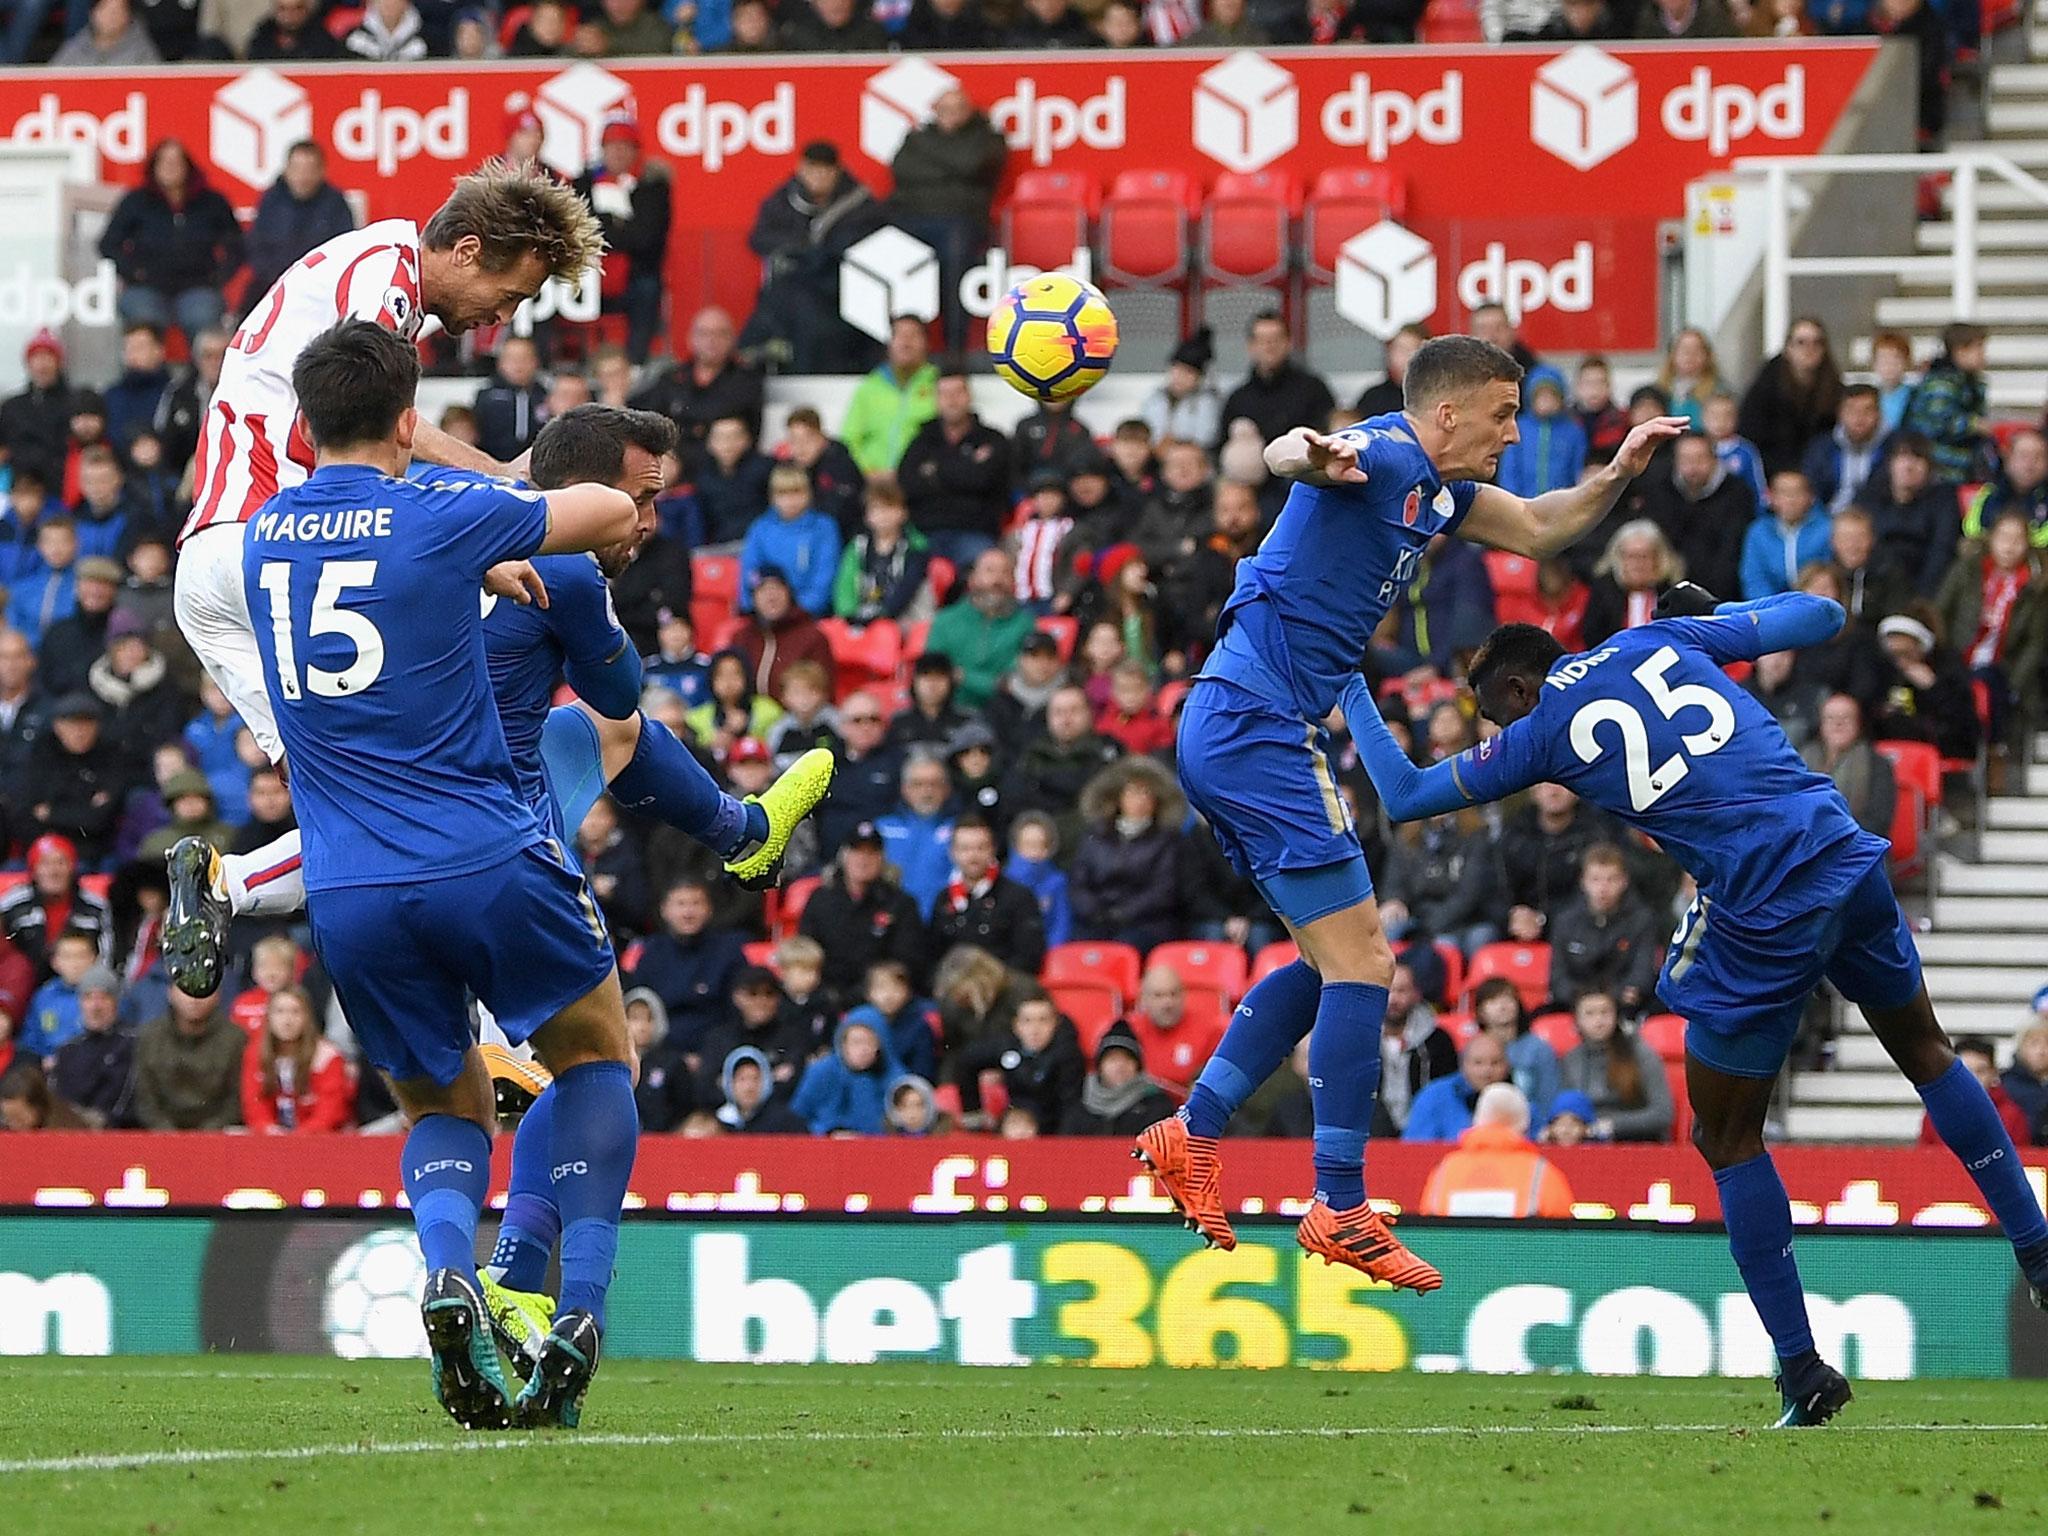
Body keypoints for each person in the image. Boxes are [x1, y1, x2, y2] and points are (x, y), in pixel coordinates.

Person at [1346, 591, 2048, 1426]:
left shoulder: (1538, 731)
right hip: (1839, 849)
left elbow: (1402, 794)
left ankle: (1801, 1369)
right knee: (1927, 1053)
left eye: (1493, 715)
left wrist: (1347, 683)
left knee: (1724, 1136)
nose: (1495, 736)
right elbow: (1823, 616)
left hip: (1764, 904)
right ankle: (2038, 1254)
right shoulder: (1655, 636)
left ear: (1521, 690)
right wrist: (1721, 612)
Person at [1140, 335, 1682, 1286]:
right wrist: (1303, 452)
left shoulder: (1441, 492)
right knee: (1368, 963)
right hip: (1256, 722)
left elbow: (1547, 526)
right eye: (1502, 415)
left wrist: (1620, 471)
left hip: (1240, 723)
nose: (1513, 435)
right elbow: (1291, 458)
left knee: (1325, 960)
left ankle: (1193, 1134)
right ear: (1446, 414)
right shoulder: (1384, 454)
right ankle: (1340, 1202)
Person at [236, 321, 645, 1430]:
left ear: (304, 424)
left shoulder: (264, 537)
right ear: (408, 420)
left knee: (443, 1101)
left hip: (352, 891)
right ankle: (581, 1309)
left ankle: (448, 1271)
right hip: (480, 852)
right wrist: (502, 524)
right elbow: (600, 512)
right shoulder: (440, 511)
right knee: (598, 1057)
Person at [160, 165, 608, 999]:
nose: (501, 319)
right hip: (285, 552)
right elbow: (363, 441)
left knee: (353, 810)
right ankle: (511, 1016)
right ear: (466, 249)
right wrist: (502, 492)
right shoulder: (385, 279)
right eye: (507, 294)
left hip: (214, 575)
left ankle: (223, 886)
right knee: (445, 786)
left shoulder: (364, 271)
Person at [887, 89, 1006, 352]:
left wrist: (932, 158)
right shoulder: (917, 137)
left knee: (956, 264)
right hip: (912, 218)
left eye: (957, 109)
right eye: (943, 110)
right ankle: (896, 348)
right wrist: (952, 168)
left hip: (961, 221)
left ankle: (954, 349)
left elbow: (971, 164)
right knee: (882, 256)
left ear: (969, 111)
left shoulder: (986, 137)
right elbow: (902, 170)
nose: (950, 117)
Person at [98, 140, 242, 340]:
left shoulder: (212, 202)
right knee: (144, 322)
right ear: (154, 167)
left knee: (204, 321)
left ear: (187, 167)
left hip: (198, 286)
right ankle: (144, 372)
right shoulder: (136, 201)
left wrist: (219, 275)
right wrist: (133, 271)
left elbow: (237, 244)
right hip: (146, 287)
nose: (170, 167)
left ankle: (201, 372)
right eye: (164, 162)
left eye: (176, 162)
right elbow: (108, 243)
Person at [1936, 508, 2046, 750]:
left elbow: (2035, 644)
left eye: (2017, 540)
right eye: (2004, 538)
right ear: (1991, 539)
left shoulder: (2036, 586)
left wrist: (2016, 684)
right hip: (1958, 658)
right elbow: (1940, 612)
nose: (2009, 546)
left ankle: (1994, 750)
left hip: (2004, 669)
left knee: (1987, 682)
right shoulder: (1966, 570)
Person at [575, 116, 672, 364]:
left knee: (648, 290)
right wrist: (620, 224)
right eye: (611, 146)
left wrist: (604, 224)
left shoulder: (653, 187)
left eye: (624, 146)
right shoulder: (583, 184)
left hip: (637, 275)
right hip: (588, 274)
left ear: (635, 151)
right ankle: (578, 364)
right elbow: (578, 229)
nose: (617, 152)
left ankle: (635, 364)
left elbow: (647, 238)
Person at [1070, 757, 1186, 954]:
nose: (1139, 800)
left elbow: (1163, 890)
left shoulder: (1167, 840)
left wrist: (1123, 913)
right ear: (1118, 797)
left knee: (1122, 948)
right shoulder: (1096, 835)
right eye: (1133, 792)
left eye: (1146, 793)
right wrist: (1094, 911)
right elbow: (1079, 882)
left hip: (1146, 924)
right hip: (1096, 920)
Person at [898, 368, 1010, 570]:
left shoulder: (992, 439)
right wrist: (966, 470)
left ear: (969, 396)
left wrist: (935, 472)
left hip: (975, 534)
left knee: (988, 571)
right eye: (944, 394)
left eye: (957, 393)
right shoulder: (922, 441)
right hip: (924, 535)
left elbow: (985, 480)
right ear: (936, 399)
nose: (952, 400)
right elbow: (907, 485)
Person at [1417, 1082, 1576, 1217]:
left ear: (1477, 1120)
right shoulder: (1541, 1173)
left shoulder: (1445, 1170)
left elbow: (1428, 1227)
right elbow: (1563, 1238)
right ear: (1524, 1125)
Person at [631, 308, 763, 468]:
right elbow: (644, 414)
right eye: (704, 333)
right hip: (672, 463)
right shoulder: (672, 378)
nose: (711, 340)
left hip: (722, 468)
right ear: (691, 338)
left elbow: (744, 429)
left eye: (719, 334)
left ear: (732, 339)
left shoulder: (746, 381)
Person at [925, 815, 1046, 976]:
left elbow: (1029, 956)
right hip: (954, 990)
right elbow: (933, 955)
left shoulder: (1019, 896)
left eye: (981, 848)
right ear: (952, 852)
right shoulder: (943, 899)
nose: (973, 856)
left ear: (993, 850)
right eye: (965, 849)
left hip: (1005, 989)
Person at [1545, 843, 1660, 1012]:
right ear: (1583, 881)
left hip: (1626, 1009)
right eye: (1595, 879)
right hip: (1574, 1006)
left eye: (1611, 879)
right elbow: (1558, 978)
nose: (1603, 888)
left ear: (1624, 881)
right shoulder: (1565, 921)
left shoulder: (1642, 920)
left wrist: (1613, 996)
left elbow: (1642, 975)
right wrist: (1584, 998)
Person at [925, 548, 1036, 712]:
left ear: (1013, 581)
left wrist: (963, 677)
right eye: (990, 571)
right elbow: (934, 673)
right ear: (973, 579)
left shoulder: (1025, 625)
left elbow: (1013, 684)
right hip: (949, 712)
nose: (997, 580)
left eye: (1005, 572)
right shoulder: (945, 621)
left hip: (1004, 715)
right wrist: (987, 682)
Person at [245, 143, 356, 306]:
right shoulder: (271, 201)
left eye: (309, 170)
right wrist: (278, 278)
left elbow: (345, 248)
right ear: (287, 170)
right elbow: (257, 246)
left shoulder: (335, 204)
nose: (303, 177)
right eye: (297, 169)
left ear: (321, 171)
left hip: (322, 287)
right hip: (273, 283)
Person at [239, 985, 355, 1133]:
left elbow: (330, 1112)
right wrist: (267, 1128)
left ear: (307, 1017)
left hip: (318, 1143)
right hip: (269, 1140)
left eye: (295, 1012)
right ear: (268, 1017)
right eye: (279, 1011)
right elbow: (254, 1104)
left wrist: (298, 1137)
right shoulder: (256, 1053)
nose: (287, 1020)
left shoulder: (327, 1057)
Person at [1857, 432, 1959, 597]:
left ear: (1929, 467)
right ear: (1890, 463)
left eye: (1918, 458)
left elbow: (1941, 551)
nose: (1909, 466)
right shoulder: (1869, 495)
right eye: (1902, 457)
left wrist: (1919, 599)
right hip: (1871, 586)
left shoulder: (1944, 499)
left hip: (1921, 588)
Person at [1739, 319, 1844, 478]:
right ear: (1788, 348)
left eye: (1817, 343)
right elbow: (1751, 436)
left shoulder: (1834, 389)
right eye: (1801, 342)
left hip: (1819, 477)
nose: (1810, 349)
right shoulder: (1765, 388)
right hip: (1770, 474)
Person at [1217, 311, 1335, 449]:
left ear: (1289, 343)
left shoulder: (1314, 390)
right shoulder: (1238, 400)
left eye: (1275, 339)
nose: (1269, 347)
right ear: (1250, 346)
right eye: (1262, 340)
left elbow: (1328, 436)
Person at [130, 986, 243, 1129]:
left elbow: (236, 1099)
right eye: (185, 991)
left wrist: (208, 1133)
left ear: (217, 996)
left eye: (204, 991)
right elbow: (145, 1098)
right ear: (170, 994)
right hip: (160, 1134)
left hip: (217, 1135)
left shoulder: (235, 1039)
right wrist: (167, 1132)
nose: (194, 999)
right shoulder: (149, 1036)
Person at [843, 315, 939, 477]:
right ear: (889, 343)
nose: (906, 343)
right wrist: (869, 472)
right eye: (899, 335)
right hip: (873, 486)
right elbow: (849, 440)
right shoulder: (869, 388)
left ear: (927, 344)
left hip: (922, 486)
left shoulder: (939, 384)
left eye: (913, 335)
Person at [741, 465, 840, 618]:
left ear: (809, 494)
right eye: (782, 494)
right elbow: (750, 576)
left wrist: (792, 614)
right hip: (765, 617)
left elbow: (824, 580)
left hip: (809, 617)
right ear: (772, 497)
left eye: (797, 492)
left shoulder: (824, 527)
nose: (790, 500)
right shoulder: (760, 528)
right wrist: (755, 609)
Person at [1902, 322, 1990, 487]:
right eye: (1978, 348)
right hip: (1941, 466)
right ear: (1959, 351)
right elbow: (1939, 423)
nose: (1983, 355)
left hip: (1961, 465)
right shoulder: (1942, 384)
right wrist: (1974, 424)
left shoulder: (1971, 383)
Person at [1801, 692, 1897, 840]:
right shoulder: (1801, 759)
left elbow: (1878, 823)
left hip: (1858, 848)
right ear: (1821, 724)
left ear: (1858, 724)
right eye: (1830, 718)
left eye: (1846, 718)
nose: (1838, 724)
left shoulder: (1878, 765)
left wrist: (1831, 835)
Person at [790, 1011, 900, 1135]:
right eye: (856, 1042)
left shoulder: (894, 1078)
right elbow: (797, 1116)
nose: (863, 1050)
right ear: (843, 1044)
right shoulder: (822, 1071)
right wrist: (826, 1132)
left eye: (869, 1042)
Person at [1061, 1020, 1178, 1136]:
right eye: (1112, 1059)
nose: (1120, 1066)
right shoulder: (1079, 1105)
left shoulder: (1157, 1106)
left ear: (1137, 1066)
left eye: (1127, 1059)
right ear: (1100, 1066)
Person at [1583, 519, 1683, 646]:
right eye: (1631, 557)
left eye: (1644, 556)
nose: (1638, 564)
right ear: (1618, 560)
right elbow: (1593, 638)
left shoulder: (1676, 596)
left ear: (1659, 559)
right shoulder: (1604, 596)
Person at [1919, 1037, 2029, 1148]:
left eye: (1981, 1071)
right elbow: (1925, 1157)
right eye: (1966, 1071)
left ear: (1993, 1073)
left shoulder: (2013, 1115)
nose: (1973, 1078)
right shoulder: (1936, 1113)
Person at [1496, 366, 1588, 498]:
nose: (1546, 401)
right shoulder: (1518, 427)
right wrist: (1511, 498)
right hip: (1522, 502)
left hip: (1560, 503)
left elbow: (1578, 470)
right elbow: (1509, 469)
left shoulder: (1573, 431)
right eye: (1541, 396)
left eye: (1551, 396)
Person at [1740, 470, 1832, 599]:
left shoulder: (1828, 528)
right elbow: (1754, 578)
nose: (1791, 500)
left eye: (1797, 493)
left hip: (1815, 603)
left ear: (1811, 497)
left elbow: (1830, 574)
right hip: (1771, 609)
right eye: (1783, 493)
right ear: (1770, 497)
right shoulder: (1758, 531)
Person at [1402, 1031, 1510, 1141]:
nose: (1486, 1071)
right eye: (1478, 1063)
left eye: (1495, 1063)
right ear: (1463, 1065)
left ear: (1507, 1066)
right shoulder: (1434, 1096)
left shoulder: (1515, 1097)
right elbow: (1415, 1146)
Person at [1802, 384, 1885, 515]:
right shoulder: (1822, 447)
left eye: (1867, 410)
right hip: (1829, 521)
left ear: (1878, 414)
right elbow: (1810, 490)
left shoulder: (1894, 447)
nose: (1859, 418)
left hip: (1878, 523)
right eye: (1852, 411)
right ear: (1840, 414)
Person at [1963, 428, 2048, 545]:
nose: (2029, 464)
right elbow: (1973, 530)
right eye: (2023, 456)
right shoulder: (1989, 491)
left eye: (2038, 457)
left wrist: (2015, 542)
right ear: (2008, 459)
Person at [1145, 330, 1225, 448]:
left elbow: (1206, 438)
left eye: (1188, 373)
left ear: (1200, 378)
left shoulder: (1208, 403)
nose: (1180, 377)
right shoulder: (1155, 398)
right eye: (1177, 369)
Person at [714, 1044, 807, 1132]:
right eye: (742, 1079)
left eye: (756, 1078)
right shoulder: (719, 1123)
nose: (749, 1086)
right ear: (730, 1084)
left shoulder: (786, 1123)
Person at [51, 0, 159, 63]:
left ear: (128, 16)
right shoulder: (74, 48)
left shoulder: (143, 51)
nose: (111, 17)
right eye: (106, 10)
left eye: (118, 11)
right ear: (93, 13)